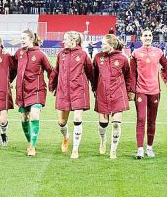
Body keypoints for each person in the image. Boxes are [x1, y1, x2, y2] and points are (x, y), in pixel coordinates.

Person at [49, 30, 94, 159]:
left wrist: (95, 87)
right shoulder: (61, 54)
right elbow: (56, 71)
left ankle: (75, 149)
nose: (63, 41)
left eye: (65, 39)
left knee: (77, 119)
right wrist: (52, 85)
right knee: (62, 122)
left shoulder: (83, 54)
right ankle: (66, 137)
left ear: (73, 41)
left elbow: (90, 72)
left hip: (79, 90)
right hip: (63, 91)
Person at [129, 29, 167, 159]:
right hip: (141, 91)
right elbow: (132, 73)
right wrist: (132, 90)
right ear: (141, 38)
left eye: (150, 35)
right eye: (145, 35)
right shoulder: (135, 53)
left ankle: (149, 147)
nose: (148, 37)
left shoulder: (158, 52)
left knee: (152, 121)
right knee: (141, 119)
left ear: (152, 38)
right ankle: (140, 149)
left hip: (155, 91)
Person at [92, 34, 133, 159]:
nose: (101, 45)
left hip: (118, 94)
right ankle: (103, 140)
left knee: (116, 123)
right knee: (103, 123)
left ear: (111, 45)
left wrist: (129, 91)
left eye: (104, 44)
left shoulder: (123, 58)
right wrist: (94, 89)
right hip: (102, 93)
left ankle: (113, 150)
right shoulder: (97, 57)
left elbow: (128, 76)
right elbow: (94, 75)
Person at [15, 29, 53, 157]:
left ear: (31, 39)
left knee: (34, 116)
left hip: (37, 90)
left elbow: (51, 71)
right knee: (24, 118)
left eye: (24, 38)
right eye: (21, 38)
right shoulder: (19, 53)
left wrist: (53, 85)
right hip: (22, 90)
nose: (22, 40)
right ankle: (30, 141)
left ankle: (32, 146)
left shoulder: (40, 54)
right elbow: (12, 68)